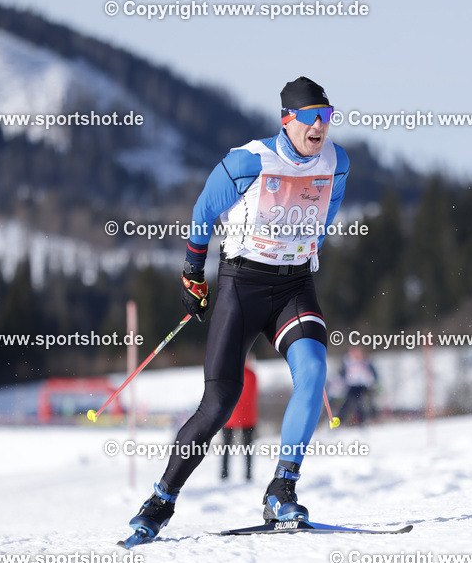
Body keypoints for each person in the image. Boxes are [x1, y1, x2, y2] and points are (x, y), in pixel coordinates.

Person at [126, 77, 349, 538]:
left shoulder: (337, 162)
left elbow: (326, 215)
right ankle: (161, 499)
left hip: (294, 286)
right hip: (241, 285)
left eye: (327, 117)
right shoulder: (247, 161)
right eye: (311, 117)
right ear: (287, 121)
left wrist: (301, 250)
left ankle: (281, 490)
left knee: (313, 371)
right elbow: (203, 213)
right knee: (219, 403)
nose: (320, 127)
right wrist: (192, 274)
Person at [220, 360, 257, 482]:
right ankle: (248, 474)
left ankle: (224, 473)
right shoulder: (251, 375)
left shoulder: (228, 374)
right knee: (248, 447)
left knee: (226, 446)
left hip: (230, 415)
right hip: (248, 416)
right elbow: (254, 394)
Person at [336, 346, 378, 426]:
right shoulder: (347, 362)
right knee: (348, 403)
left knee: (362, 403)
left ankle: (364, 419)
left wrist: (373, 382)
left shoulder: (366, 362)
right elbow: (341, 373)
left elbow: (373, 373)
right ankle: (341, 419)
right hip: (351, 386)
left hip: (363, 386)